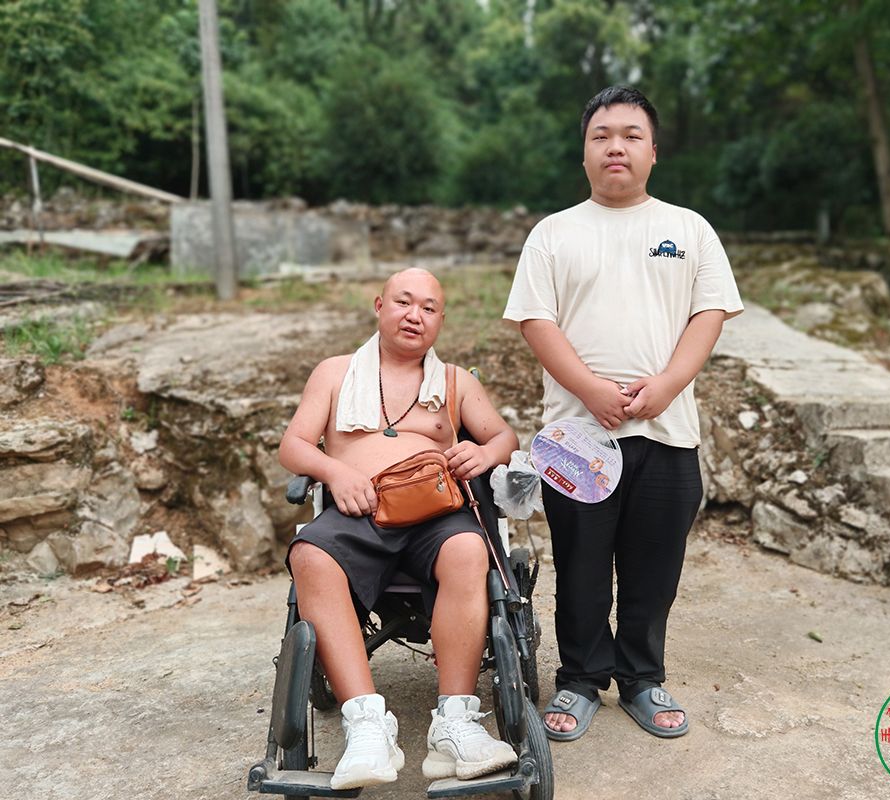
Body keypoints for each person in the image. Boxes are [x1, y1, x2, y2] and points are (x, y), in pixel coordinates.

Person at [503, 86, 743, 742]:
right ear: (584, 152)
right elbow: (536, 321)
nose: (616, 146)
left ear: (653, 152)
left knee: (654, 568)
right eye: (601, 135)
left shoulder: (688, 229)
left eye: (631, 135)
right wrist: (590, 389)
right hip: (578, 437)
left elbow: (709, 314)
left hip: (667, 432)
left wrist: (667, 384)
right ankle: (580, 678)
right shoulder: (554, 234)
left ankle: (641, 678)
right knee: (581, 567)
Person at [279, 268, 519, 789]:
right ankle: (367, 725)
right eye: (404, 302)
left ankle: (454, 723)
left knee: (468, 549)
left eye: (429, 308)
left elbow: (504, 436)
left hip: (436, 513)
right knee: (309, 554)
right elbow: (293, 445)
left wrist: (483, 453)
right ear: (379, 306)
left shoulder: (454, 381)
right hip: (357, 511)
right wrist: (334, 472)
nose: (415, 315)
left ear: (440, 320)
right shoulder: (336, 373)